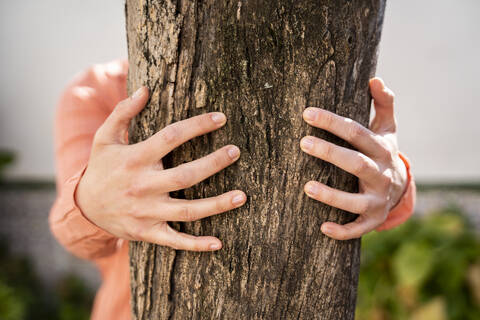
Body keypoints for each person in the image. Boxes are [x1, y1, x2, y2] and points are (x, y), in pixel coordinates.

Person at [49, 59, 415, 319]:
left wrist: (392, 179)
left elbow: (391, 206)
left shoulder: (324, 72)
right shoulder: (95, 92)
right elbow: (74, 235)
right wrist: (91, 201)